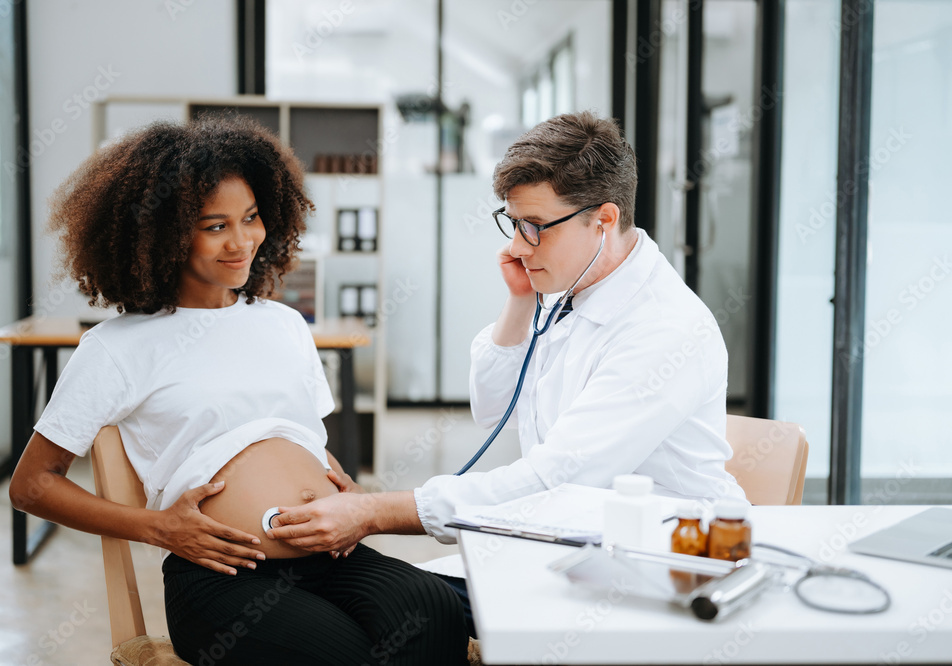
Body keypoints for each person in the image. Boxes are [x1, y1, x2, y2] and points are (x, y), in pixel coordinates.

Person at [8, 116, 469, 665]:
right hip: (222, 574)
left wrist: (340, 488)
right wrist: (159, 529)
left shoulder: (285, 323)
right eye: (214, 226)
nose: (242, 241)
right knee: (346, 655)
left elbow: (299, 435)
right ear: (164, 234)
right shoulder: (116, 347)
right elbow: (32, 485)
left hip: (332, 553)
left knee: (437, 615)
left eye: (251, 218)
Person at [264, 111, 747, 631]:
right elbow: (493, 408)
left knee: (405, 609)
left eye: (536, 227)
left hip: (655, 568)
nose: (518, 246)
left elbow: (553, 479)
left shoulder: (663, 329)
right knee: (377, 598)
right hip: (568, 538)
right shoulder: (569, 289)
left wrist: (374, 512)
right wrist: (521, 302)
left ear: (603, 220)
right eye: (514, 223)